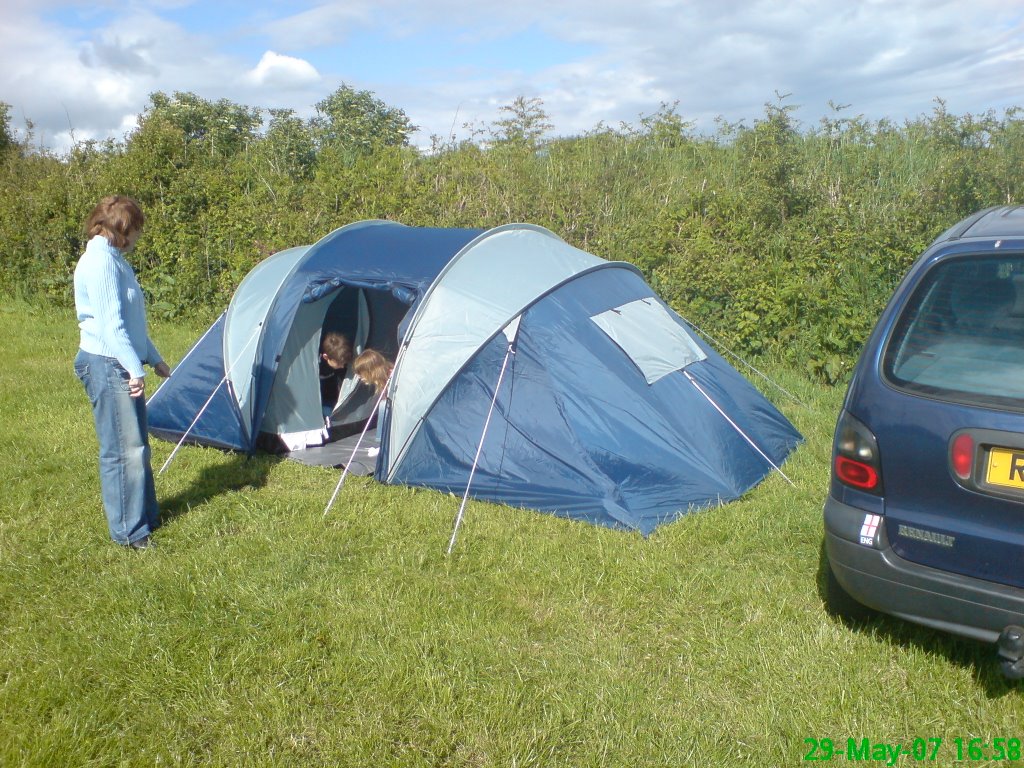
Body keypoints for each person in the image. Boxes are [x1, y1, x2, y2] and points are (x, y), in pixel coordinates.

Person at [73, 195, 170, 550]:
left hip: (120, 361)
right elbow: (111, 326)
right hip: (106, 363)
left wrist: (152, 358)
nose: (138, 238)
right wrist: (134, 368)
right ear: (122, 230)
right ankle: (129, 533)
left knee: (137, 447)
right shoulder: (99, 263)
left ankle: (145, 517)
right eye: (137, 231)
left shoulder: (114, 259)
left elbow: (131, 322)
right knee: (121, 451)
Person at [319, 331, 353, 412]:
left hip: (331, 382)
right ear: (326, 357)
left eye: (344, 363)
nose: (342, 366)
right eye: (339, 364)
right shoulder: (317, 364)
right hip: (320, 382)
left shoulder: (341, 361)